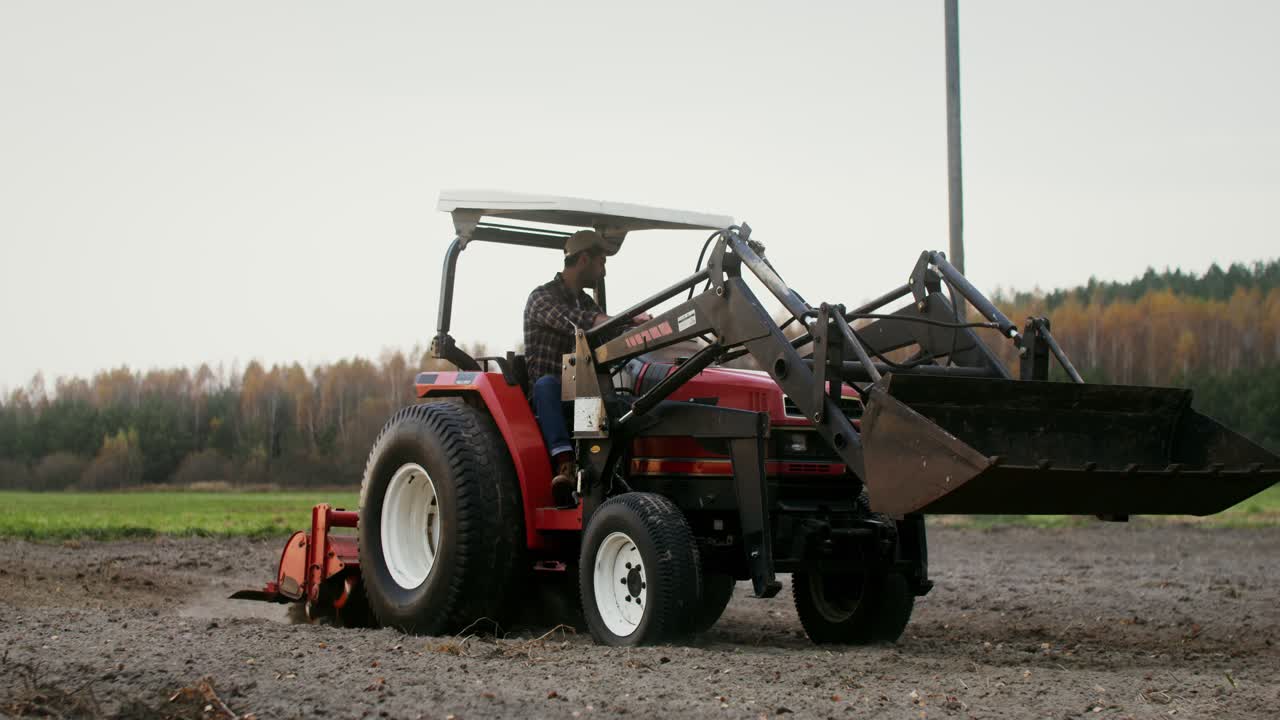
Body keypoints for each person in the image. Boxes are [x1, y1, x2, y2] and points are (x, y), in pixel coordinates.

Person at [523, 229, 649, 505]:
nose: (603, 271)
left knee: (628, 404)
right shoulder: (541, 298)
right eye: (601, 262)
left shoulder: (586, 301)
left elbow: (606, 334)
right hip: (550, 396)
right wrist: (624, 320)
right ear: (583, 259)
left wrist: (641, 331)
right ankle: (565, 465)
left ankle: (612, 474)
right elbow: (577, 321)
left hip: (584, 393)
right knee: (548, 384)